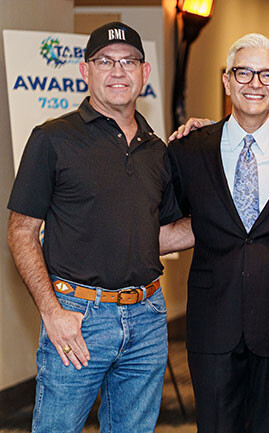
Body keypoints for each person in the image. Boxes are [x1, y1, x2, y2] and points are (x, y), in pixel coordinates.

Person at [6, 22, 184, 432]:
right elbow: (21, 232)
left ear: (145, 73)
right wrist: (52, 312)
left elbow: (155, 235)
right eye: (105, 61)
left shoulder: (157, 151)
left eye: (129, 62)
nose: (118, 72)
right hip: (78, 319)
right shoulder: (52, 139)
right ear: (85, 71)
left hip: (148, 319)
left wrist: (227, 222)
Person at [166, 33, 269, 433]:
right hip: (212, 322)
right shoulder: (190, 150)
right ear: (226, 80)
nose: (255, 83)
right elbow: (167, 223)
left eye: (267, 74)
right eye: (244, 72)